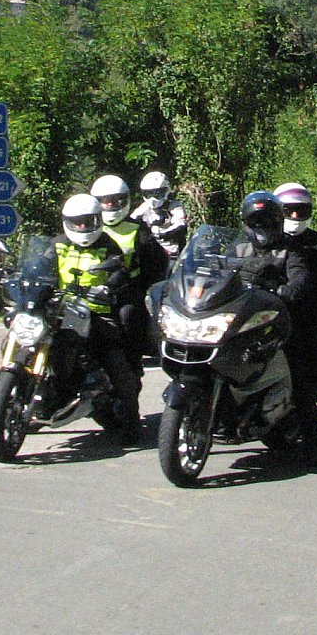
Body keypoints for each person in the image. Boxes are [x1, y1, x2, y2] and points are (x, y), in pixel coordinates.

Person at [230, 188, 317, 462]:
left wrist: (288, 291)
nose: (262, 227)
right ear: (246, 223)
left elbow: (300, 278)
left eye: (268, 221)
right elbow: (217, 268)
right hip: (245, 317)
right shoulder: (238, 247)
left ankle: (311, 441)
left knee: (298, 369)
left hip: (284, 318)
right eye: (256, 222)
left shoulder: (292, 249)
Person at [54, 193, 141, 444]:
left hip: (97, 312)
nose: (83, 227)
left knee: (115, 360)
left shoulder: (107, 244)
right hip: (61, 311)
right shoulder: (57, 244)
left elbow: (120, 269)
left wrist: (108, 286)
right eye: (77, 222)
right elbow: (40, 265)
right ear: (67, 222)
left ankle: (131, 419)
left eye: (88, 221)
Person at [271, 181, 317, 459]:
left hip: (302, 321)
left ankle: (311, 442)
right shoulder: (264, 239)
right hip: (265, 316)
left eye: (302, 210)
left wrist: (314, 314)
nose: (296, 216)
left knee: (301, 377)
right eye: (290, 210)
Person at [90, 174, 169, 375]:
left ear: (125, 200)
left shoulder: (136, 228)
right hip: (85, 290)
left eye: (116, 200)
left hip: (124, 291)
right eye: (105, 201)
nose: (110, 205)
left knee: (128, 316)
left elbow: (157, 263)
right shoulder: (87, 225)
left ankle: (131, 364)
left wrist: (146, 288)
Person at [132, 170, 188, 259]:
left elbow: (180, 224)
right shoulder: (145, 207)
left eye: (157, 193)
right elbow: (132, 219)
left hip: (171, 253)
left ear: (166, 190)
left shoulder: (174, 205)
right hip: (150, 252)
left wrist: (163, 234)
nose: (152, 198)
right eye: (149, 194)